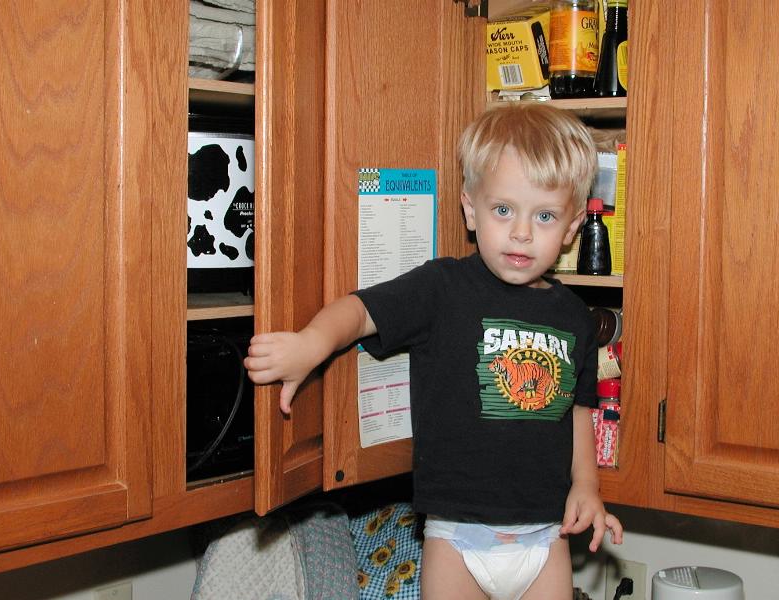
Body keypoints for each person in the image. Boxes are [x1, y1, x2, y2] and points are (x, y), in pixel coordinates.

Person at [245, 102, 623, 600]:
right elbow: (360, 312)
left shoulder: (573, 315)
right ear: (471, 209)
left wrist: (587, 487)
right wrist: (310, 344)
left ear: (572, 228)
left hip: (545, 536)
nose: (522, 232)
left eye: (545, 216)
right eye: (503, 210)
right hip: (456, 538)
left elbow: (578, 409)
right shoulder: (442, 287)